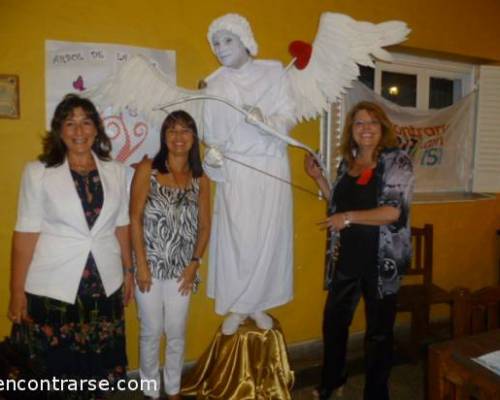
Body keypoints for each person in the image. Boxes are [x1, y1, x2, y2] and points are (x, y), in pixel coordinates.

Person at [8, 94, 133, 397]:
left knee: (97, 369)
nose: (79, 131)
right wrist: (16, 291)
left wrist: (128, 272)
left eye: (86, 122)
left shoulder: (116, 170)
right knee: (54, 372)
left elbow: (122, 225)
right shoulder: (38, 172)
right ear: (59, 130)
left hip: (104, 286)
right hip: (54, 289)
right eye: (70, 123)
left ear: (97, 128)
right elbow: (25, 234)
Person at [304, 101, 415, 400]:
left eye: (373, 123)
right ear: (351, 131)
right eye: (359, 123)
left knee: (379, 334)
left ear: (383, 128)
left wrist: (349, 218)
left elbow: (393, 212)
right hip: (348, 258)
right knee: (334, 323)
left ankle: (376, 393)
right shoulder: (347, 163)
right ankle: (333, 380)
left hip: (382, 262)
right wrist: (318, 178)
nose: (366, 128)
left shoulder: (397, 161)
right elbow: (337, 206)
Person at [203, 13, 296, 335]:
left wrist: (266, 121)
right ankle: (239, 302)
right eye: (215, 43)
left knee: (267, 236)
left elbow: (288, 116)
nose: (220, 48)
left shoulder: (273, 74)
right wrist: (214, 154)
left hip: (270, 165)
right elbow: (212, 134)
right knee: (238, 236)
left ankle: (255, 305)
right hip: (238, 168)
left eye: (227, 40)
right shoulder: (214, 84)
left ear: (244, 40)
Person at [130, 110, 211, 400]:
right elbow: (135, 218)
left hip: (182, 271)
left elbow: (204, 227)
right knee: (151, 332)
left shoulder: (200, 179)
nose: (179, 137)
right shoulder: (147, 169)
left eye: (185, 130)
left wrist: (194, 265)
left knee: (176, 332)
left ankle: (173, 388)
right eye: (172, 130)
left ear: (194, 138)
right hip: (148, 267)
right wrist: (140, 265)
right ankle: (151, 391)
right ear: (164, 136)